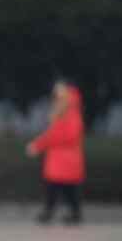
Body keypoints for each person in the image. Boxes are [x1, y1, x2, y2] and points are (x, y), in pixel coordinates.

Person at [28, 82, 85, 225]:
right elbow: (52, 135)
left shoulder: (71, 115)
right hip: (61, 161)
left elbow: (60, 135)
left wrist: (38, 145)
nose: (57, 99)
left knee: (61, 188)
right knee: (61, 188)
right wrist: (39, 144)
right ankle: (67, 213)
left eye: (60, 96)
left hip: (65, 161)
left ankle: (60, 213)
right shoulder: (64, 114)